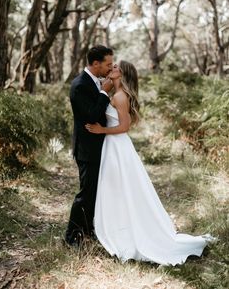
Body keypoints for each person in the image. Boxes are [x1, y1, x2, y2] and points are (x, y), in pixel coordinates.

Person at [85, 61, 214, 266]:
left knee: (122, 188)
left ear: (123, 74)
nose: (112, 68)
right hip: (113, 147)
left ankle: (126, 233)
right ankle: (120, 227)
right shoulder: (115, 94)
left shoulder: (120, 97)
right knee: (118, 189)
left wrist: (102, 130)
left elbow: (124, 127)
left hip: (117, 145)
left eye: (116, 67)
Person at [65, 45, 114, 247]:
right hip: (87, 149)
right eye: (108, 64)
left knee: (94, 192)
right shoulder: (79, 85)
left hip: (98, 146)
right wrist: (104, 93)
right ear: (96, 64)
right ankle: (72, 236)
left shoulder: (95, 82)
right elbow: (91, 117)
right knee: (86, 193)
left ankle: (88, 230)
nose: (110, 68)